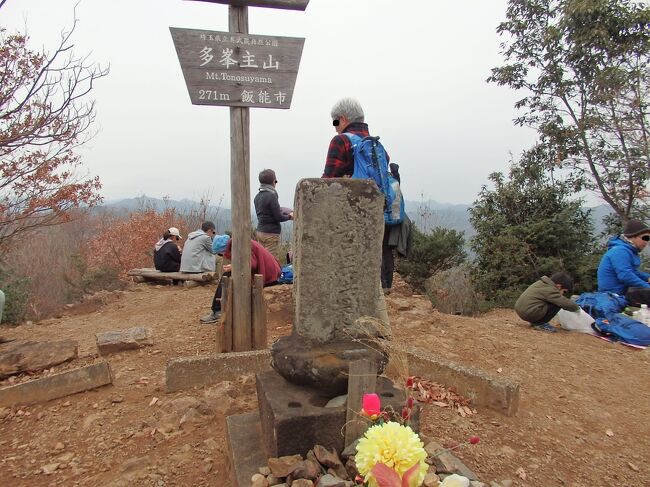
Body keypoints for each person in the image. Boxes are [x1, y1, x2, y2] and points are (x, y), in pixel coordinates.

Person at [200, 236, 282, 323]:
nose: (223, 256)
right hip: (272, 273)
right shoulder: (241, 242)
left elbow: (251, 264)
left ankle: (217, 310)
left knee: (226, 275)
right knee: (229, 275)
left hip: (269, 275)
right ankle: (220, 309)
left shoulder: (241, 245)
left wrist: (233, 266)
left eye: (220, 253)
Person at [597, 219, 650, 304]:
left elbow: (633, 272)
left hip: (624, 290)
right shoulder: (620, 251)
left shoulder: (629, 250)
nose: (646, 242)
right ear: (633, 236)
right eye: (644, 238)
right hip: (614, 295)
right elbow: (625, 275)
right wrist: (647, 287)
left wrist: (647, 277)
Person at [514, 272, 580, 333]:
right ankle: (540, 324)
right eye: (564, 291)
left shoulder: (542, 283)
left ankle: (536, 322)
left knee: (554, 301)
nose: (562, 294)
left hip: (522, 310)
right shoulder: (550, 289)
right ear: (559, 286)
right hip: (529, 313)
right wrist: (577, 309)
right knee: (558, 303)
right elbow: (564, 302)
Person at [254, 168, 292, 262]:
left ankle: (261, 276)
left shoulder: (257, 196)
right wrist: (290, 216)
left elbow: (267, 213)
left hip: (260, 232)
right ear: (273, 181)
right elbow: (278, 217)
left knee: (262, 260)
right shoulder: (272, 195)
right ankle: (271, 277)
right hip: (271, 234)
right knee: (271, 262)